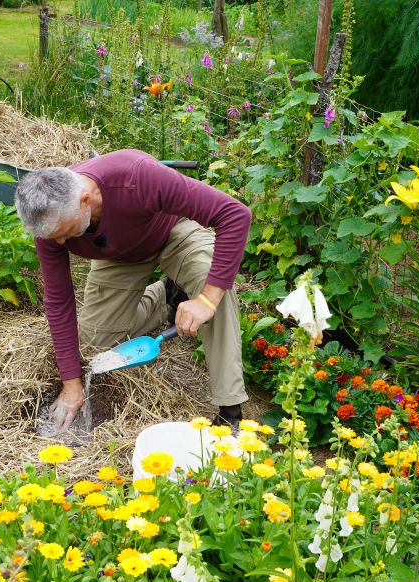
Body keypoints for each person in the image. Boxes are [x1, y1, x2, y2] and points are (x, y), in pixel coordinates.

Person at [14, 149, 251, 432]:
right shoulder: (52, 227)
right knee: (94, 344)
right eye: (55, 237)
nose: (62, 241)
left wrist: (207, 300)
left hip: (172, 230)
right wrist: (72, 383)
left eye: (67, 231)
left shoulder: (136, 176)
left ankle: (230, 411)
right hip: (120, 254)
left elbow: (235, 214)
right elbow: (59, 299)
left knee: (211, 284)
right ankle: (168, 298)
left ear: (85, 201)